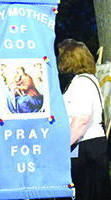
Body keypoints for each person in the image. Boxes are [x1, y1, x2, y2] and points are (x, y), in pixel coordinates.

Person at [57, 38, 111, 200]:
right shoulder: (89, 80)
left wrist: (61, 147)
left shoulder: (81, 83)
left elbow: (81, 120)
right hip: (91, 146)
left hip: (87, 148)